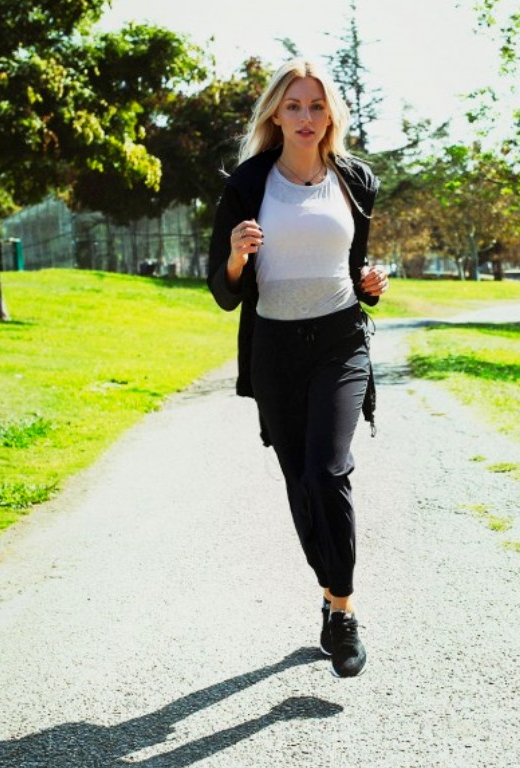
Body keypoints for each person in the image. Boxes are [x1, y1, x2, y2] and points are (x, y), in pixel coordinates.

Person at [207, 59, 389, 679]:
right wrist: (235, 255)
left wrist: (371, 283)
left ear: (331, 113)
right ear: (275, 114)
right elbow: (225, 290)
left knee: (327, 469)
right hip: (276, 350)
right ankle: (331, 593)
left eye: (316, 106)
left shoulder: (355, 181)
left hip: (340, 342)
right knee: (300, 481)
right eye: (294, 106)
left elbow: (357, 270)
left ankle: (343, 612)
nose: (306, 118)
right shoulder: (247, 184)